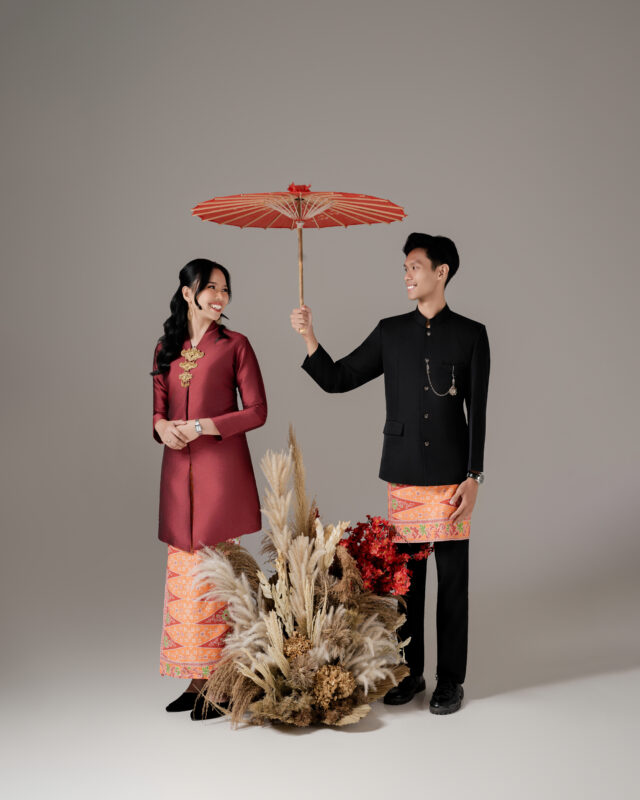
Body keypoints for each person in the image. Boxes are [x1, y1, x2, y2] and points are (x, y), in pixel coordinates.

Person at [290, 233, 489, 714]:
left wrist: (474, 477)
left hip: (452, 479)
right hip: (405, 473)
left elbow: (478, 412)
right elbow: (338, 379)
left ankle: (450, 681)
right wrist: (310, 337)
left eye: (415, 266)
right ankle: (410, 672)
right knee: (407, 583)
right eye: (405, 268)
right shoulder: (391, 332)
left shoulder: (471, 334)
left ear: (441, 272)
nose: (407, 275)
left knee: (453, 584)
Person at [152, 258, 267, 720]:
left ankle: (221, 684)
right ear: (188, 293)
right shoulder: (166, 347)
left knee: (216, 579)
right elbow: (157, 410)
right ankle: (195, 680)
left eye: (225, 289)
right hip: (178, 476)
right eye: (211, 288)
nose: (220, 297)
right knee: (184, 580)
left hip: (220, 475)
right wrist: (162, 427)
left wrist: (202, 425)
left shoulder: (235, 345)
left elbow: (257, 411)